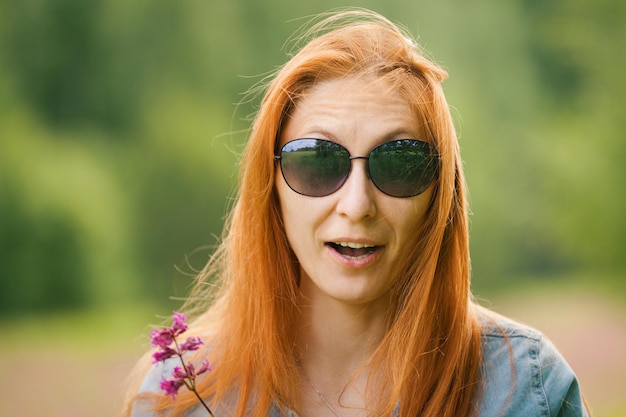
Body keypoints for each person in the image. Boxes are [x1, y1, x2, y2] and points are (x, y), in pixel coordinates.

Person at [121, 9, 591, 417]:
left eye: (400, 163)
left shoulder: (529, 393)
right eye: (317, 162)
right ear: (271, 189)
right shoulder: (181, 394)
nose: (357, 205)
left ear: (439, 195)